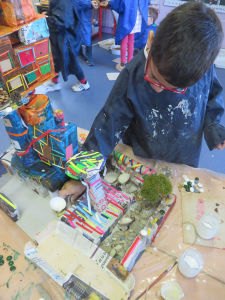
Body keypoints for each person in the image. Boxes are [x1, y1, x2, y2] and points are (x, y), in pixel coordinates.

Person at [82, 2, 225, 168]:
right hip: (143, 156)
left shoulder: (202, 69)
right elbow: (107, 126)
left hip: (184, 155)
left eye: (172, 88)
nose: (158, 88)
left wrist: (212, 124)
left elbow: (213, 96)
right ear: (150, 41)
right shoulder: (132, 74)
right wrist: (85, 170)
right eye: (154, 78)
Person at [46, 0, 90, 92]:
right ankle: (55, 82)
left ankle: (84, 83)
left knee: (72, 62)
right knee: (56, 60)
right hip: (60, 37)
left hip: (66, 38)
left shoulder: (64, 2)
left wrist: (46, 18)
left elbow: (63, 22)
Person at [100, 0, 149, 72]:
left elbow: (119, 5)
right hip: (137, 18)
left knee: (124, 41)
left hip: (127, 18)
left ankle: (123, 63)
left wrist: (109, 3)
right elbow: (147, 3)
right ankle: (130, 62)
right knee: (131, 41)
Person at [76, 0, 99, 66]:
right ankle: (79, 52)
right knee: (77, 35)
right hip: (77, 15)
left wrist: (94, 4)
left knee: (87, 35)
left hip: (85, 16)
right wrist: (90, 3)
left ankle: (89, 57)